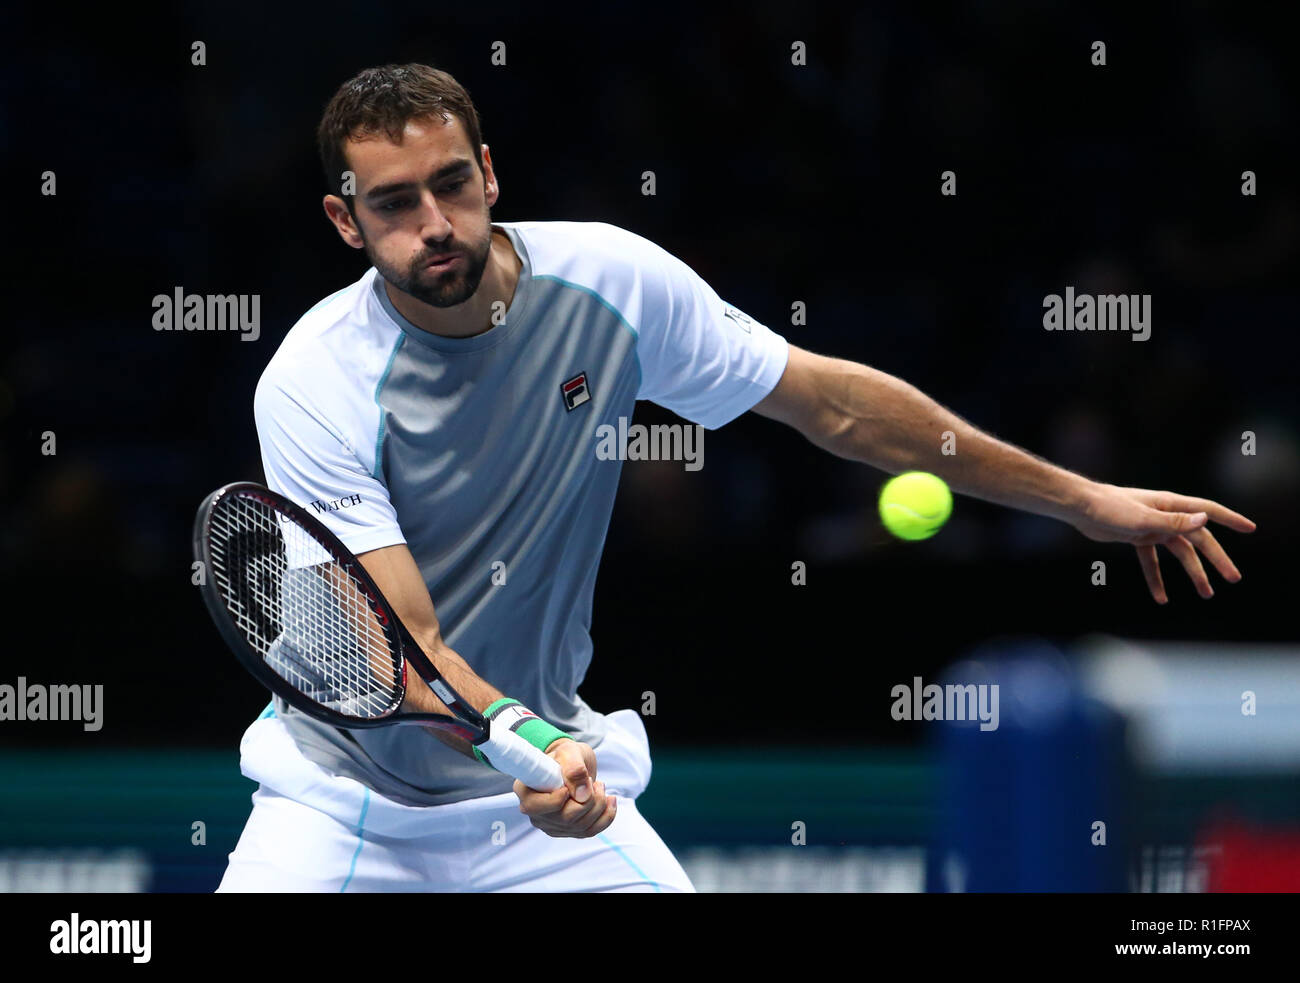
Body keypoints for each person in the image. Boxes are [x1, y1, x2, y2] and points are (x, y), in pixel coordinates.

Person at [217, 63, 1255, 892]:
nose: (435, 224)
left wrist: (1083, 502)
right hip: (346, 808)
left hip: (538, 802)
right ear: (345, 221)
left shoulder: (612, 282)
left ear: (488, 171)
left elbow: (833, 404)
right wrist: (526, 739)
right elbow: (410, 645)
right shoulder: (316, 381)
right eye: (395, 204)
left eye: (450, 184)